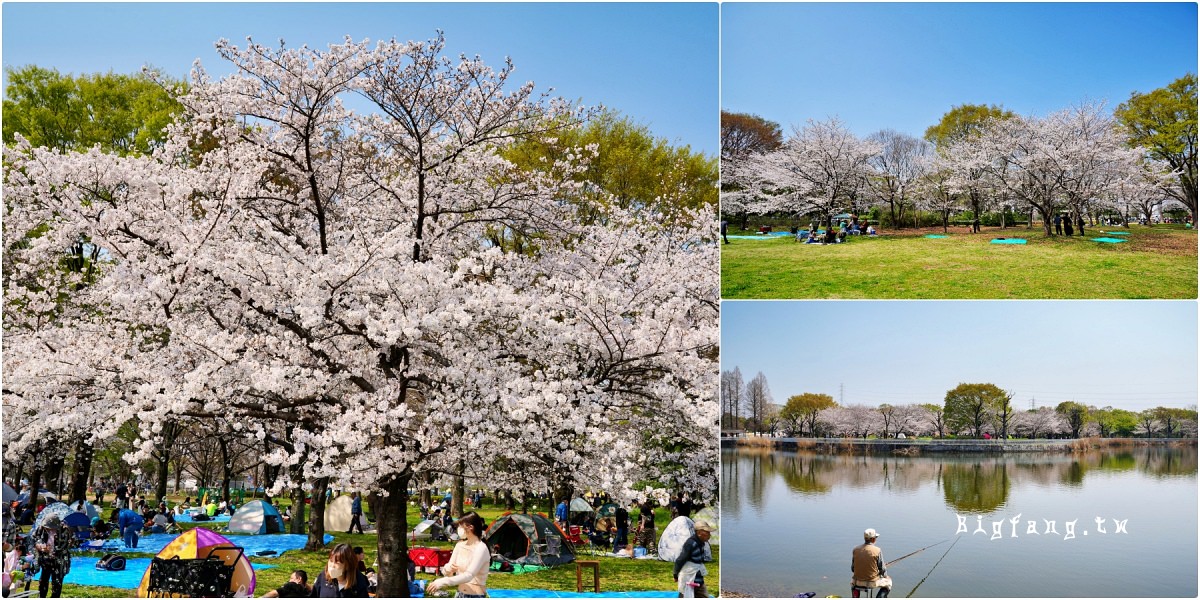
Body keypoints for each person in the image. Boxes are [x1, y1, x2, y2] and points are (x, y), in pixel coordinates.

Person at [427, 512, 490, 598]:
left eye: (461, 526)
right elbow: (447, 572)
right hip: (459, 594)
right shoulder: (459, 545)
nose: (458, 529)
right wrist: (448, 569)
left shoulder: (481, 548)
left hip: (475, 596)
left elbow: (469, 575)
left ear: (471, 527)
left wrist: (442, 581)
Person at [34, 515, 74, 598]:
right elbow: (34, 539)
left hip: (60, 560)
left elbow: (64, 547)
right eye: (47, 528)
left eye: (51, 528)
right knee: (43, 581)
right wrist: (40, 547)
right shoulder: (41, 528)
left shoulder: (65, 530)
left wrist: (51, 551)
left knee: (57, 583)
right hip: (46, 560)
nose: (48, 530)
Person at [673, 519, 714, 598]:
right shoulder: (690, 544)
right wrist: (675, 574)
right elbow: (680, 560)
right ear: (699, 533)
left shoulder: (702, 543)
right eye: (707, 532)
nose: (709, 535)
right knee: (685, 595)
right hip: (688, 577)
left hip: (698, 579)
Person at [852, 528, 891, 598]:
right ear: (873, 539)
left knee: (853, 584)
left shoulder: (855, 549)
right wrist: (885, 576)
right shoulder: (877, 550)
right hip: (871, 582)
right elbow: (882, 569)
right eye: (875, 537)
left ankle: (855, 597)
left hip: (857, 581)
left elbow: (852, 568)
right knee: (888, 584)